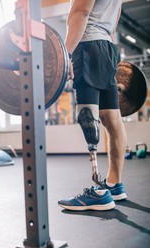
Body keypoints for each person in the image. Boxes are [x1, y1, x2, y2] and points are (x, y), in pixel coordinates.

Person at [58, 0, 127, 211]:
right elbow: (113, 23)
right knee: (112, 118)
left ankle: (98, 191)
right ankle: (114, 184)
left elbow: (81, 11)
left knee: (88, 115)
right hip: (107, 47)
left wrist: (66, 54)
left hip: (87, 44)